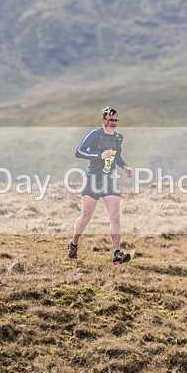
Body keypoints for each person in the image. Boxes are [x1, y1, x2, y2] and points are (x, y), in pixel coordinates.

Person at [68, 106, 134, 264]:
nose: (113, 123)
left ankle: (117, 253)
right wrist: (99, 155)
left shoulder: (118, 137)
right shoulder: (95, 134)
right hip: (93, 180)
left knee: (115, 216)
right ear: (103, 120)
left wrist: (125, 166)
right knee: (85, 218)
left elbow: (117, 157)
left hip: (110, 180)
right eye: (110, 120)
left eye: (116, 120)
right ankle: (73, 244)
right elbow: (79, 152)